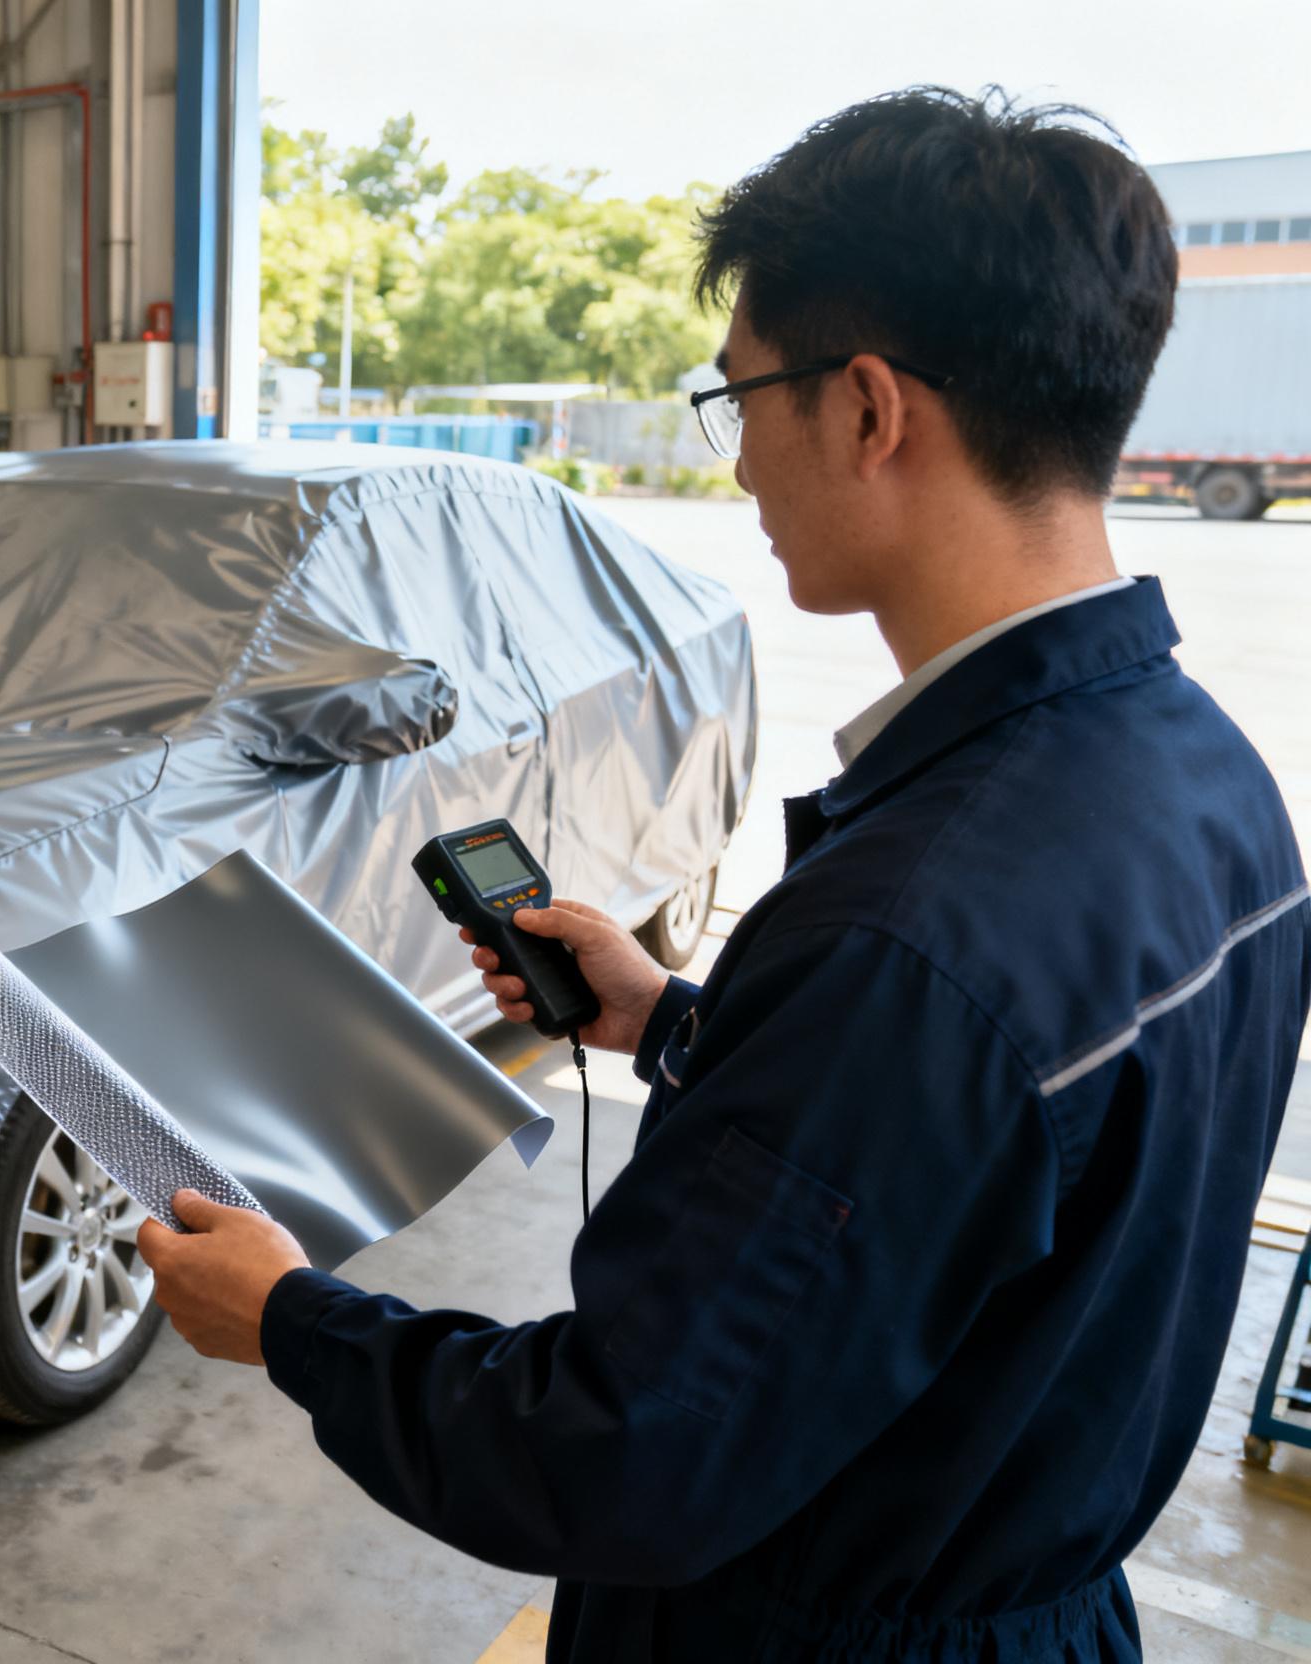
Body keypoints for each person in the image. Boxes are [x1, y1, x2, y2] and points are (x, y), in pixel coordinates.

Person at [140, 87, 1310, 1662]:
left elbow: (622, 1449)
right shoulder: (1213, 783)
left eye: (740, 393)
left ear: (871, 408)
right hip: (1032, 1595)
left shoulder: (911, 935)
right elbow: (984, 1176)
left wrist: (292, 1322)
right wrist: (686, 1027)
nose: (741, 456)